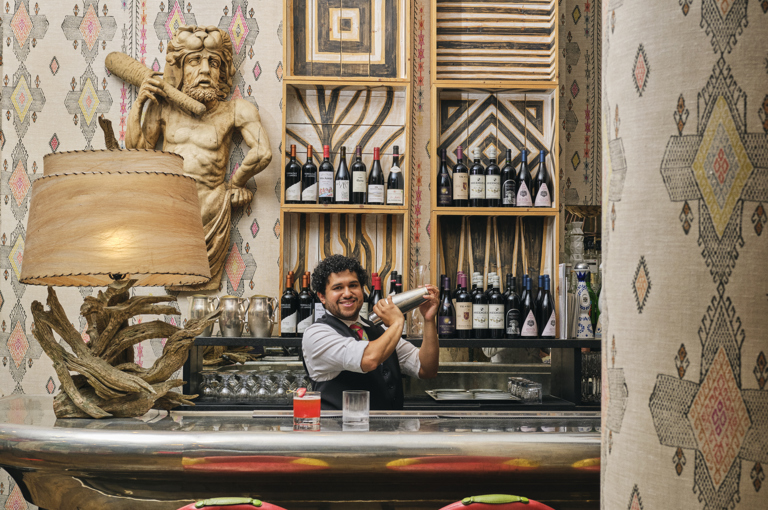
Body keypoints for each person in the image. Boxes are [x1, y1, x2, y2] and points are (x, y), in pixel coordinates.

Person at [125, 25, 272, 291]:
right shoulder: (163, 107)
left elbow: (263, 151)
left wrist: (235, 184)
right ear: (179, 68)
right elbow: (137, 152)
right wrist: (139, 104)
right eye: (194, 60)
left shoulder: (236, 110)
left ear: (222, 71)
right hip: (172, 214)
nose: (205, 69)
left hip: (214, 214)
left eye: (213, 62)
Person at [302, 255, 440, 410]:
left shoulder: (380, 330)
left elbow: (426, 369)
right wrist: (397, 321)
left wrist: (429, 320)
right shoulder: (316, 334)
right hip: (339, 432)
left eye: (353, 285)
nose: (347, 293)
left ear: (362, 290)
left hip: (387, 432)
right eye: (337, 288)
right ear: (322, 296)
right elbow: (369, 359)